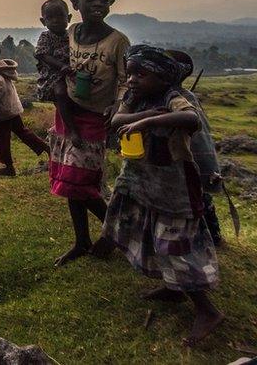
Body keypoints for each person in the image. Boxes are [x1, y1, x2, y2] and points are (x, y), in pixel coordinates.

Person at [93, 46, 223, 347]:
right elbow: (116, 121)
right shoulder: (136, 96)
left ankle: (207, 310)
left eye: (142, 74)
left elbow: (192, 120)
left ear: (163, 77)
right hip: (141, 177)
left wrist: (148, 121)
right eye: (131, 72)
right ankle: (173, 288)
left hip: (174, 186)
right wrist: (149, 114)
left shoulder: (176, 97)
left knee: (174, 245)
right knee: (147, 231)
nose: (133, 79)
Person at [49, 0, 130, 266]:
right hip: (69, 112)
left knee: (82, 181)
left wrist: (117, 107)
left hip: (97, 115)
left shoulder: (118, 41)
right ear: (76, 5)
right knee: (71, 181)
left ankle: (116, 231)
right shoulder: (71, 34)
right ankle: (82, 240)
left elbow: (125, 79)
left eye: (104, 0)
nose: (98, 4)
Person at [169, 49, 224, 246]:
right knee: (199, 195)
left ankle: (210, 235)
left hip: (192, 155)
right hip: (192, 156)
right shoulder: (184, 95)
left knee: (197, 196)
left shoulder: (180, 98)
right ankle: (211, 234)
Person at [0, 41, 49, 177]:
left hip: (3, 111)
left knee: (2, 138)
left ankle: (8, 167)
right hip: (12, 108)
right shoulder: (1, 68)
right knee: (22, 131)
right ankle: (46, 148)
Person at [34, 0, 78, 136]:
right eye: (50, 17)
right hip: (53, 75)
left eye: (60, 16)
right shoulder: (46, 36)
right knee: (60, 93)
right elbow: (43, 55)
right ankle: (71, 129)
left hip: (71, 72)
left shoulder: (72, 35)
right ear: (43, 21)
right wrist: (62, 66)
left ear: (69, 17)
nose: (55, 20)